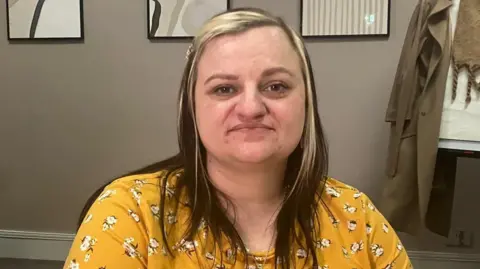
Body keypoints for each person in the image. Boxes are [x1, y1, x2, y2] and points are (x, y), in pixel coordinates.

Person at [63, 7, 412, 269]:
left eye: (275, 86)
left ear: (306, 103)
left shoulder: (357, 218)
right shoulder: (130, 214)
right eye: (224, 88)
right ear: (192, 108)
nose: (250, 108)